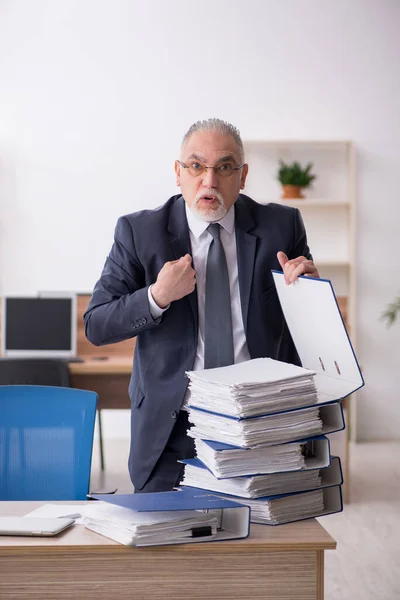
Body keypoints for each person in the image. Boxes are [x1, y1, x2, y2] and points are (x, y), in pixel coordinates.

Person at [84, 118, 319, 493]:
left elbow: (307, 325)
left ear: (242, 177)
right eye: (196, 166)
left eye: (224, 167)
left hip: (257, 422)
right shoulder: (139, 232)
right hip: (172, 427)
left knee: (264, 546)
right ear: (178, 173)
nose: (209, 180)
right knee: (169, 545)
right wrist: (157, 296)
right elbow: (96, 324)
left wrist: (307, 290)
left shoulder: (282, 226)